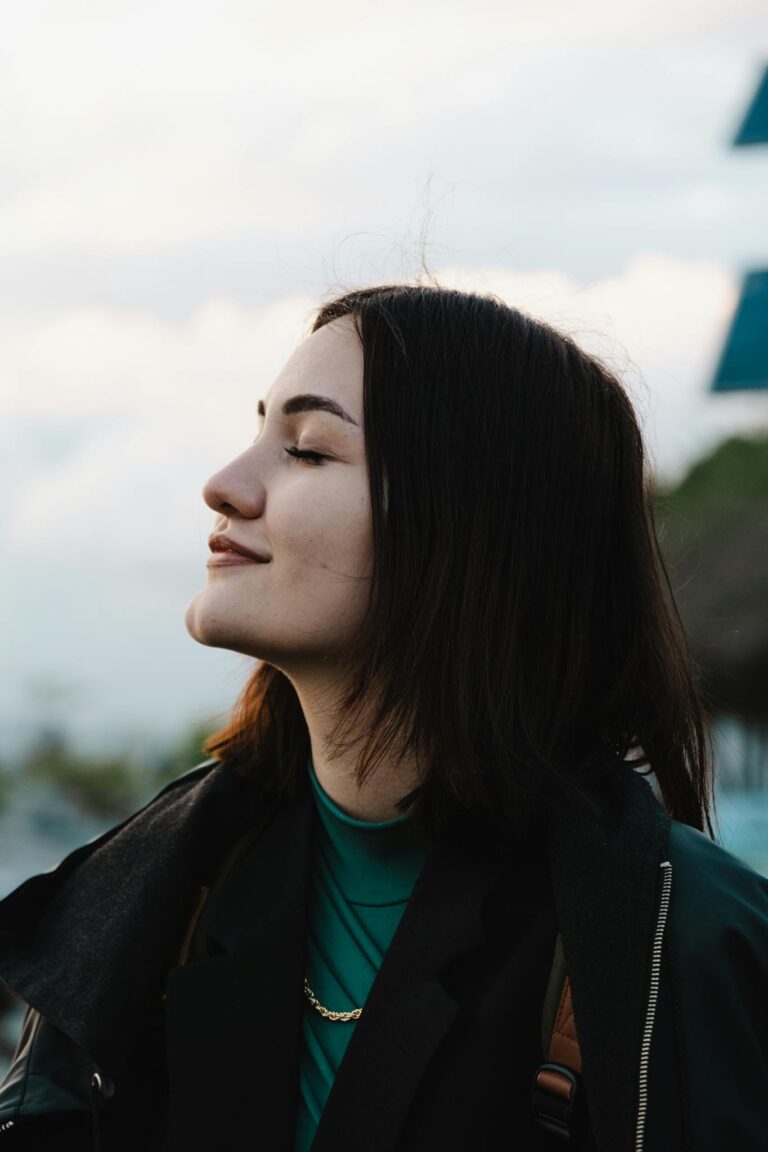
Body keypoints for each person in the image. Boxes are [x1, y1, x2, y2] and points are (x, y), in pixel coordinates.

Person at [0, 284, 766, 1151]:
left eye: (308, 450)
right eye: (258, 435)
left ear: (470, 525)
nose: (224, 486)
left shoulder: (683, 942)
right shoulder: (137, 904)